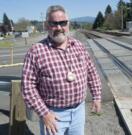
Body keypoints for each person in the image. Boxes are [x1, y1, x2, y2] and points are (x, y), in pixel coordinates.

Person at [21, 5, 102, 135]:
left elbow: (92, 73)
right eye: (54, 23)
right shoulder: (36, 51)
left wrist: (97, 97)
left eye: (62, 23)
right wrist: (44, 114)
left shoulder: (78, 46)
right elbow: (27, 87)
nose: (59, 27)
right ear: (47, 25)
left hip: (78, 112)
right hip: (53, 115)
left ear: (68, 24)